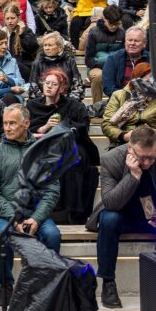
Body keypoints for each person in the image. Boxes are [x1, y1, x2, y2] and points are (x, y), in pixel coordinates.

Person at [93, 126, 156, 308]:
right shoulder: (111, 159)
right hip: (124, 213)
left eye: (151, 157)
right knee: (108, 219)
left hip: (155, 215)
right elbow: (111, 202)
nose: (147, 163)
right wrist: (133, 175)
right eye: (142, 157)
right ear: (130, 148)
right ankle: (108, 283)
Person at [0, 104, 61, 306]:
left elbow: (52, 189)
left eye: (12, 123)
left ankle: (47, 286)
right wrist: (14, 217)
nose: (7, 128)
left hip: (37, 212)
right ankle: (5, 286)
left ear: (26, 124)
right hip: (6, 213)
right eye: (5, 123)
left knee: (52, 235)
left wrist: (36, 218)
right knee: (4, 236)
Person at [26, 69, 100, 224]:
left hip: (70, 144)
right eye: (47, 83)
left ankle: (72, 211)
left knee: (76, 159)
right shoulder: (32, 105)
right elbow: (28, 129)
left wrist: (62, 128)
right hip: (41, 145)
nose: (49, 87)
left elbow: (81, 128)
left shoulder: (75, 106)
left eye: (54, 84)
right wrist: (45, 127)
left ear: (62, 87)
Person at [102, 62, 156, 147]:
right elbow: (107, 125)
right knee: (108, 158)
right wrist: (124, 136)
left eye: (151, 82)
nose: (148, 86)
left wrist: (153, 133)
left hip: (153, 143)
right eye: (145, 82)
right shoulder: (118, 95)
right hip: (124, 142)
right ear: (135, 81)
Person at [27, 31, 84, 101]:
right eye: (45, 45)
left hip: (67, 101)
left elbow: (78, 84)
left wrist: (69, 101)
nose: (46, 48)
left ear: (60, 48)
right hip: (43, 102)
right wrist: (46, 100)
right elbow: (33, 86)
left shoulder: (70, 61)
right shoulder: (37, 63)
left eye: (50, 45)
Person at [100, 24, 148, 100]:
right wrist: (129, 97)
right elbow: (108, 88)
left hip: (147, 101)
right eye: (130, 40)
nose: (132, 43)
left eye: (137, 41)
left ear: (144, 44)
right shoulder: (113, 59)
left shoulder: (151, 60)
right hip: (120, 101)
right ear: (125, 42)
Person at [2, 3, 38, 78]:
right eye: (7, 18)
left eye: (12, 18)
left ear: (18, 18)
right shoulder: (2, 32)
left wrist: (22, 34)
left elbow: (32, 48)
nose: (10, 21)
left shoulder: (26, 30)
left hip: (25, 67)